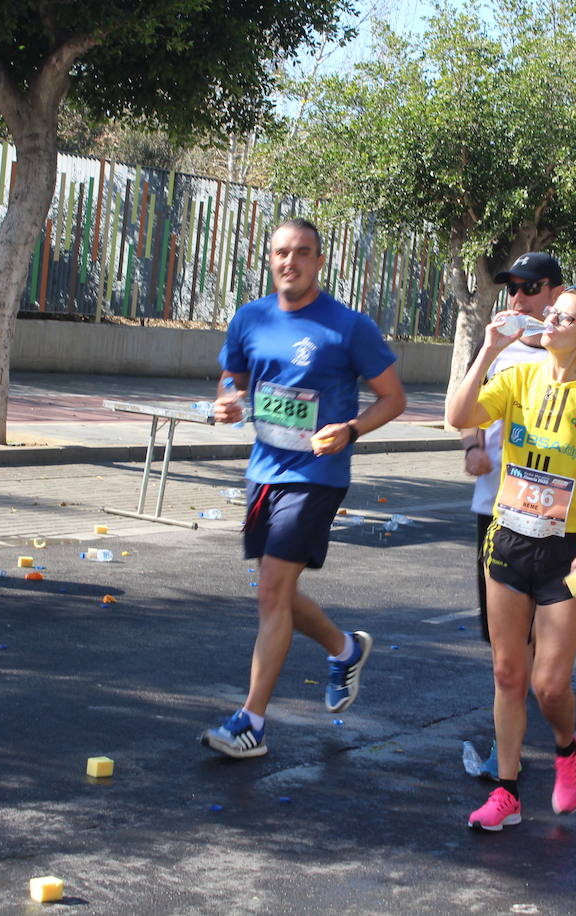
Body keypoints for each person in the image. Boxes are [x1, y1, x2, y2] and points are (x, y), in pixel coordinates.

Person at [201, 218, 407, 758]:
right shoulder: (250, 319)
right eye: (280, 253)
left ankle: (251, 723)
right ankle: (344, 649)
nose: (289, 261)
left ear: (319, 261)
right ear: (269, 258)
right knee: (280, 592)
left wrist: (351, 430)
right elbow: (233, 378)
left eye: (301, 253)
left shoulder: (347, 327)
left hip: (316, 476)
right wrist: (227, 400)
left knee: (270, 591)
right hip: (263, 471)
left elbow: (393, 398)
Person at [447, 284, 576, 832]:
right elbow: (458, 416)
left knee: (549, 685)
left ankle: (568, 750)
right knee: (506, 671)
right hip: (509, 542)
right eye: (549, 314)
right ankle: (507, 790)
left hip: (568, 556)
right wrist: (489, 348)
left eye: (564, 318)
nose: (550, 322)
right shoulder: (518, 375)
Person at [461, 252, 566, 642]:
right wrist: (473, 449)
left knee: (544, 628)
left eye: (530, 288)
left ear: (556, 293)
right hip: (496, 505)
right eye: (512, 288)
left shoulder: (572, 354)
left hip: (555, 513)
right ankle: (514, 695)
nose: (518, 298)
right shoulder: (495, 349)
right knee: (501, 633)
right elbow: (464, 411)